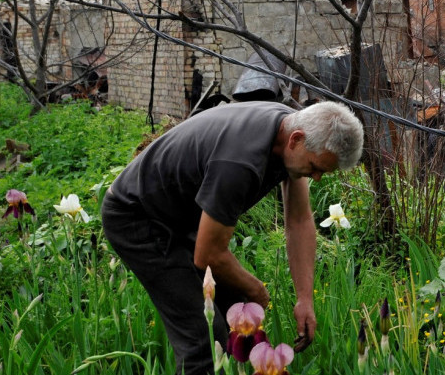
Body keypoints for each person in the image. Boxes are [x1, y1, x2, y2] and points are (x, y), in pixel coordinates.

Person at [101, 100, 364, 374]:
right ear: (296, 140)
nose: (317, 178)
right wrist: (256, 288)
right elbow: (208, 254)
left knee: (239, 312)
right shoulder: (240, 162)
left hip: (178, 213)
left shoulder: (293, 129)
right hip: (138, 217)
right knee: (203, 339)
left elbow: (299, 221)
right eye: (315, 167)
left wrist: (304, 300)